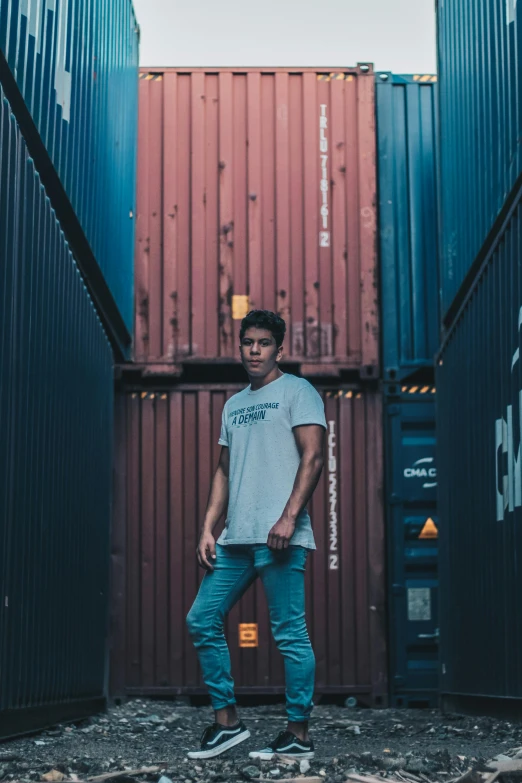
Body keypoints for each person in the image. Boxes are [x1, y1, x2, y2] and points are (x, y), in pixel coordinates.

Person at [186, 310, 326, 761]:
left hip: (278, 536)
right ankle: (227, 723)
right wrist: (208, 527)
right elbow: (224, 472)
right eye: (248, 342)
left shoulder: (298, 392)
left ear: (279, 349)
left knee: (289, 634)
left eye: (264, 343)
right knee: (201, 619)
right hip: (235, 539)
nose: (254, 350)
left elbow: (313, 458)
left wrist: (289, 517)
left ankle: (298, 735)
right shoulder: (233, 405)